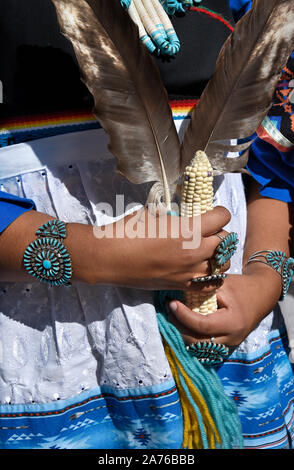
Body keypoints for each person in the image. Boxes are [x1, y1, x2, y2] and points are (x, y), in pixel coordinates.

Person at [0, 0, 293, 450]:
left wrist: (264, 280)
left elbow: (275, 159)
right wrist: (92, 253)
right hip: (66, 339)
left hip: (231, 321)